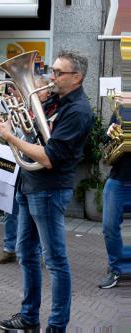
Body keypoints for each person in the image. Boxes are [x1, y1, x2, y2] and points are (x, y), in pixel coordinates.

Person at [0, 51, 93, 332]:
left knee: (55, 261)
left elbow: (49, 157)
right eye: (52, 70)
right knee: (26, 253)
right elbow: (34, 133)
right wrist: (18, 122)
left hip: (49, 189)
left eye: (59, 73)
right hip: (29, 184)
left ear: (77, 77)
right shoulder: (54, 101)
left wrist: (11, 137)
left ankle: (57, 325)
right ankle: (28, 316)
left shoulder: (78, 111)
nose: (52, 77)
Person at [0, 76, 52, 265]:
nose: (33, 91)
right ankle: (9, 248)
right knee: (11, 208)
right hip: (17, 163)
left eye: (39, 88)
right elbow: (10, 136)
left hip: (37, 167)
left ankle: (41, 253)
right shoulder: (22, 109)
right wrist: (6, 127)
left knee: (37, 213)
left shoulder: (49, 111)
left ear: (47, 91)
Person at [98, 104, 131, 289]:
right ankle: (115, 269)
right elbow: (105, 140)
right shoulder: (122, 109)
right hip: (118, 178)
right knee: (109, 226)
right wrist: (109, 132)